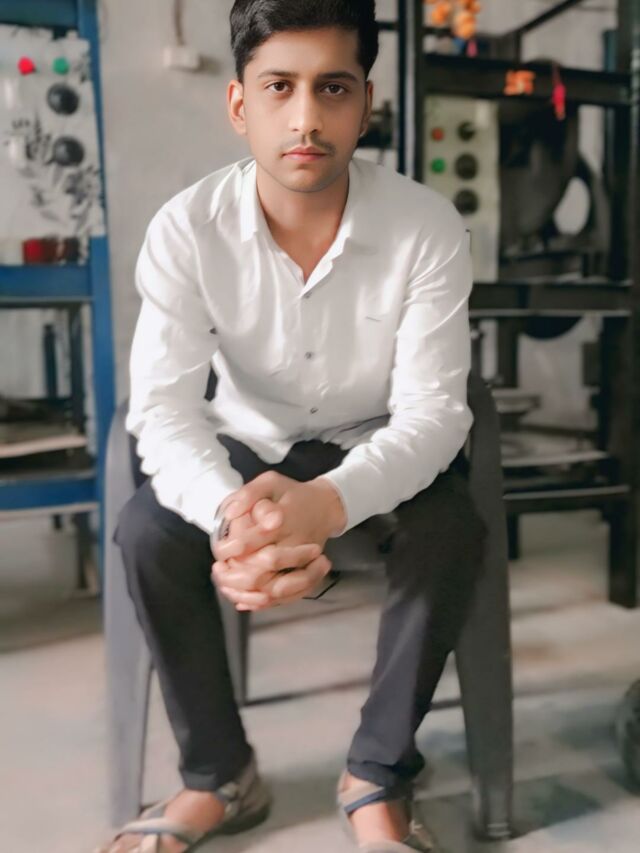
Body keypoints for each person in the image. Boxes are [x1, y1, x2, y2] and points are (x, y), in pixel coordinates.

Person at [99, 1, 486, 851]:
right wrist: (234, 518)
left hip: (373, 442)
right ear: (240, 104)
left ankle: (377, 774)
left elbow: (434, 413)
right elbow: (162, 408)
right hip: (246, 443)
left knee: (451, 528)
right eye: (280, 87)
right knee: (146, 532)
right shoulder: (186, 230)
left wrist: (328, 504)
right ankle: (219, 774)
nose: (306, 118)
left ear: (366, 103)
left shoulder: (425, 226)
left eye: (333, 88)